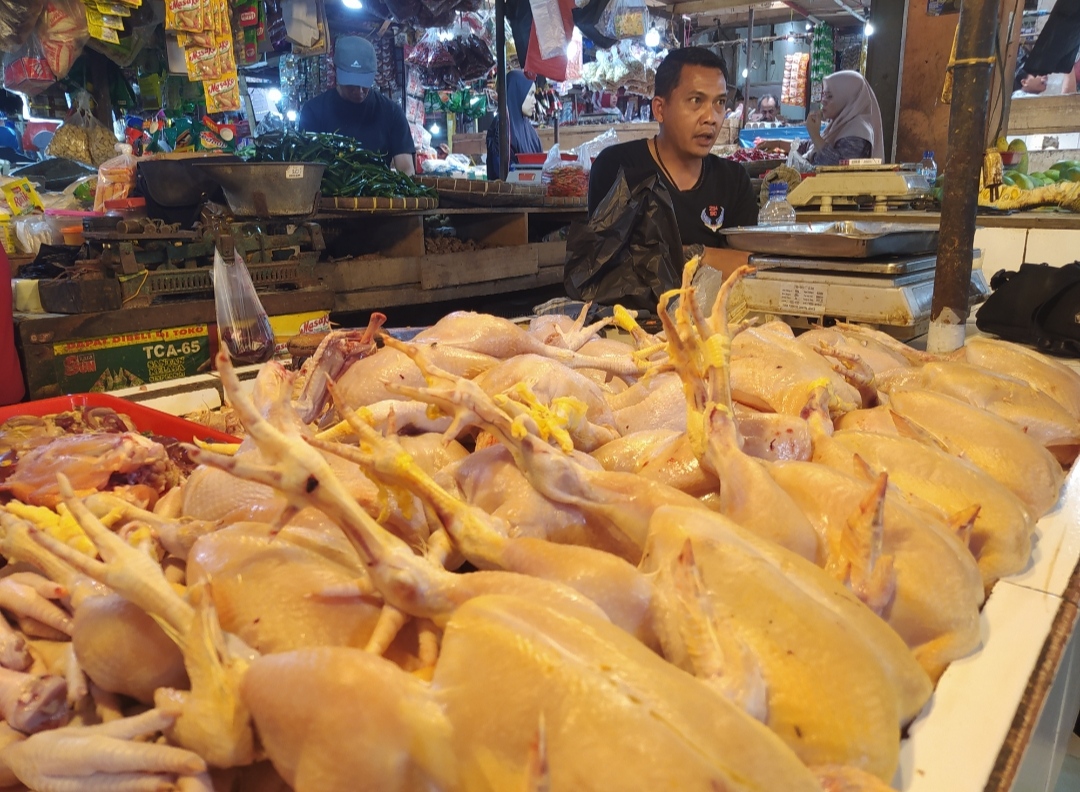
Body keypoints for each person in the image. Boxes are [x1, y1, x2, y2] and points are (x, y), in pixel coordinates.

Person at [588, 47, 759, 277]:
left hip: (711, 313)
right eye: (696, 100)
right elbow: (608, 265)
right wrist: (709, 256)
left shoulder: (734, 181)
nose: (711, 117)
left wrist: (665, 255)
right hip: (629, 314)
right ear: (660, 109)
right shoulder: (617, 168)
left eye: (719, 102)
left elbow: (746, 267)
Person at [299, 36, 416, 175]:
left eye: (364, 83)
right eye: (351, 84)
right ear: (334, 69)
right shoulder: (313, 111)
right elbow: (305, 167)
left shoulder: (392, 113)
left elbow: (406, 168)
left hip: (377, 194)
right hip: (327, 195)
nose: (359, 91)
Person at [756, 71, 884, 166]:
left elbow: (836, 167)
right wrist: (776, 143)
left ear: (847, 98)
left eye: (829, 96)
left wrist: (814, 134)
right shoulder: (838, 125)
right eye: (823, 95)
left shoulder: (858, 129)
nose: (823, 101)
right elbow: (808, 147)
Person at [486, 69, 543, 181]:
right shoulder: (502, 124)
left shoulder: (529, 129)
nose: (535, 101)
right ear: (517, 93)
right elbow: (501, 171)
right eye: (530, 94)